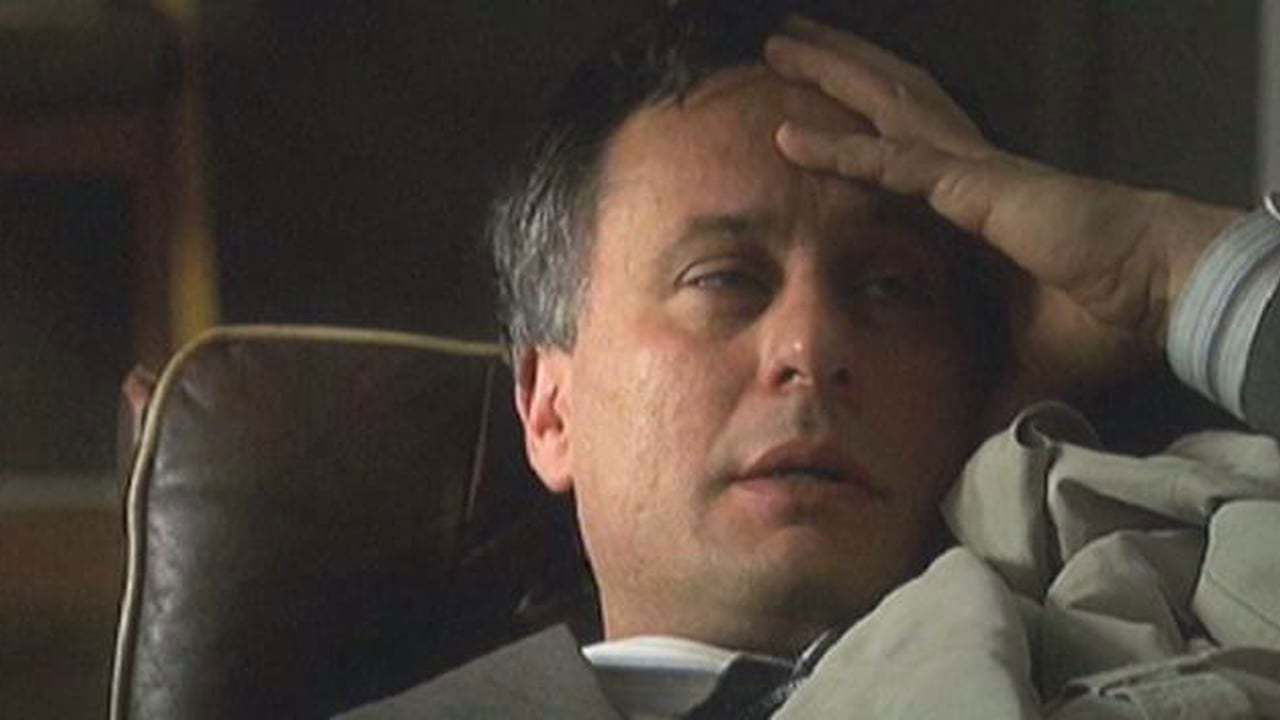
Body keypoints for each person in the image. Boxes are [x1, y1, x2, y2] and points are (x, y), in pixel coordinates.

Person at [341, 2, 1280, 717]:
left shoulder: (1171, 600)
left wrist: (1167, 274)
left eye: (889, 288)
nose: (810, 347)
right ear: (551, 409)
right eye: (724, 280)